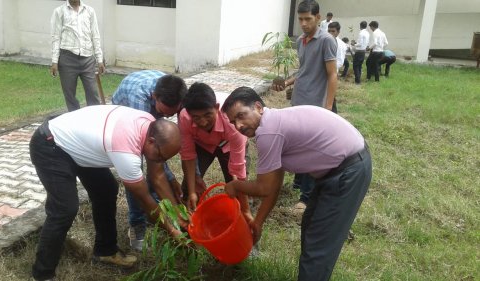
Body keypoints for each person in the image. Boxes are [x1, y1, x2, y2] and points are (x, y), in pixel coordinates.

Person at [221, 87, 372, 281]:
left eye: (241, 115)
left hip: (348, 171)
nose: (239, 125)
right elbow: (274, 184)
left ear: (258, 107)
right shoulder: (272, 122)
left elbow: (264, 187)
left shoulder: (268, 132)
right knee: (311, 226)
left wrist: (235, 186)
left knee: (319, 243)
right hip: (340, 168)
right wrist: (258, 222)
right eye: (233, 122)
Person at [29, 105, 183, 281]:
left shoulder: (150, 126)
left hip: (80, 146)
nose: (161, 161)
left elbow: (158, 176)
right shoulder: (126, 153)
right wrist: (172, 231)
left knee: (106, 190)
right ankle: (43, 274)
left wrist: (178, 215)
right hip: (51, 145)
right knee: (64, 209)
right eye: (161, 156)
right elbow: (146, 202)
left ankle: (105, 250)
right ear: (151, 142)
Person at [273, 0, 338, 214]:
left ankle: (306, 197)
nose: (303, 23)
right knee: (298, 145)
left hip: (316, 106)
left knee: (312, 150)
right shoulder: (301, 40)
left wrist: (327, 108)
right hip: (299, 101)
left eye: (308, 19)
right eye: (300, 19)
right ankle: (300, 182)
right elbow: (304, 71)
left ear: (318, 18)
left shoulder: (326, 40)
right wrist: (287, 82)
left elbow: (332, 74)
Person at [111, 70, 187, 251]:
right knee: (135, 173)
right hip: (125, 116)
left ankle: (153, 210)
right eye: (163, 112)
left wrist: (170, 178)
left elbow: (161, 150)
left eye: (171, 114)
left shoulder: (175, 91)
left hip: (150, 110)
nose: (167, 118)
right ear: (154, 97)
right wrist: (167, 178)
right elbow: (153, 154)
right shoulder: (138, 99)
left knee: (157, 171)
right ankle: (137, 223)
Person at [178, 82, 250, 216]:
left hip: (228, 144)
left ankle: (240, 213)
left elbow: (238, 170)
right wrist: (192, 192)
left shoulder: (232, 122)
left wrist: (246, 210)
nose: (203, 122)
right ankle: (190, 221)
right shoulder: (184, 117)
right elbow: (188, 155)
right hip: (203, 145)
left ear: (217, 107)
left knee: (236, 187)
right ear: (189, 114)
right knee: (188, 188)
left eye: (207, 115)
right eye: (196, 118)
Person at [50, 0, 105, 111]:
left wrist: (99, 59)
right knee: (70, 95)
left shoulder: (90, 11)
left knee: (92, 93)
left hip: (87, 58)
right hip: (67, 58)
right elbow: (56, 37)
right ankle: (74, 122)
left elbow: (95, 35)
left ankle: (94, 121)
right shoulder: (59, 11)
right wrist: (54, 62)